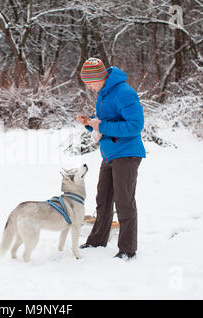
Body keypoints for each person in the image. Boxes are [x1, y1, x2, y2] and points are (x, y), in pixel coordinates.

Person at [76, 57, 146, 260]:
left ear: (99, 78)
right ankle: (97, 240)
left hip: (127, 153)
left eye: (89, 82)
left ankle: (127, 249)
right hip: (110, 152)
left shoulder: (124, 93)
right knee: (103, 198)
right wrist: (89, 123)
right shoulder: (104, 94)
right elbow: (106, 122)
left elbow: (135, 125)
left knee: (124, 201)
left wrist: (102, 126)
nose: (88, 87)